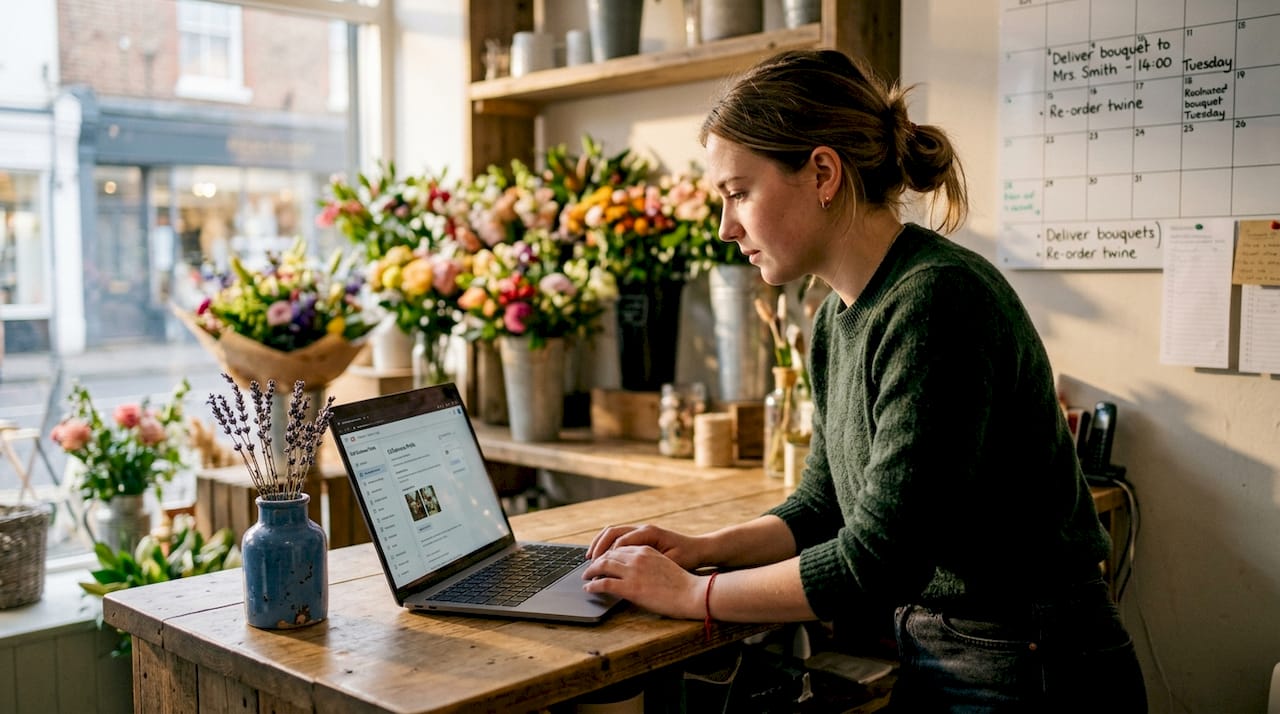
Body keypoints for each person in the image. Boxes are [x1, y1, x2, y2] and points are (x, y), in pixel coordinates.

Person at [582, 48, 1146, 711]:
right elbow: (823, 507)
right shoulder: (833, 321)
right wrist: (704, 549)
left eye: (738, 193)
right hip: (950, 650)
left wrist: (692, 595)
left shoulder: (938, 300)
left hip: (1032, 663)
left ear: (822, 172)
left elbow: (881, 560)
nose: (725, 228)